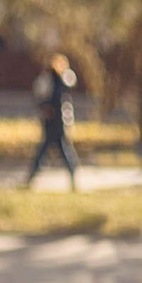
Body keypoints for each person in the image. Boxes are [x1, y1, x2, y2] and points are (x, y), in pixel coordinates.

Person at [24, 53, 81, 190]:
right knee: (51, 149)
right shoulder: (47, 79)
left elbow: (71, 81)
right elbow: (40, 96)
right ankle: (33, 176)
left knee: (60, 149)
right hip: (50, 120)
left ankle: (73, 174)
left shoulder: (63, 80)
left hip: (60, 121)